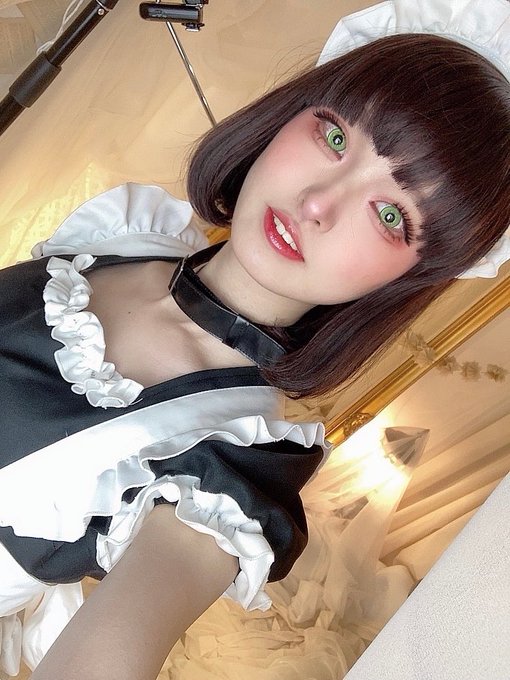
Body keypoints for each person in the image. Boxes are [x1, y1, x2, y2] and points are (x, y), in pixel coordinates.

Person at [0, 0, 509, 678]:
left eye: (391, 215)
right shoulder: (130, 235)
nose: (318, 203)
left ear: (416, 274)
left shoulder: (233, 465)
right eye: (335, 137)